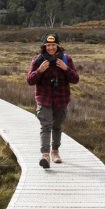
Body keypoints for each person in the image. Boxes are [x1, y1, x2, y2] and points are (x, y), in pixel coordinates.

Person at [25, 33, 79, 169]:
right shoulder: (37, 60)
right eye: (48, 45)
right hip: (44, 99)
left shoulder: (66, 59)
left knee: (57, 126)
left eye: (53, 45)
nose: (50, 48)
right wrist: (39, 71)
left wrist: (66, 69)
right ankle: (45, 156)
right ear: (44, 46)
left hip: (61, 99)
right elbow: (30, 80)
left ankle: (55, 152)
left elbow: (75, 79)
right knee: (46, 126)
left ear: (58, 46)